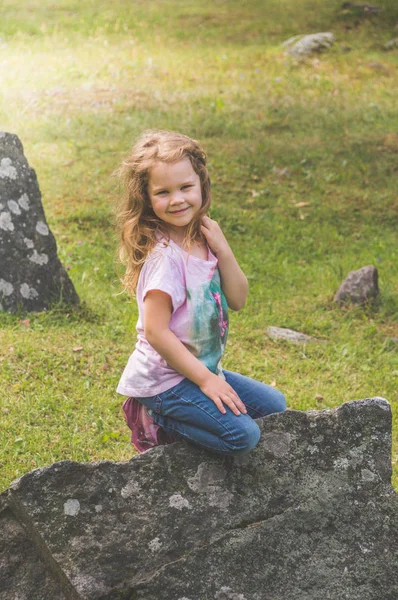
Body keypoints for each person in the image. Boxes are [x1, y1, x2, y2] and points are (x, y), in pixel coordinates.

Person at [115, 129, 286, 455]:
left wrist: (223, 248)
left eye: (185, 187)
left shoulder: (203, 237)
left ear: (201, 185)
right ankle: (156, 416)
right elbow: (155, 331)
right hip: (164, 382)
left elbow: (238, 299)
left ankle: (193, 400)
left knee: (274, 406)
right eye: (163, 192)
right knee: (242, 436)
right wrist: (207, 382)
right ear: (147, 199)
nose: (177, 199)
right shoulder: (164, 258)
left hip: (199, 370)